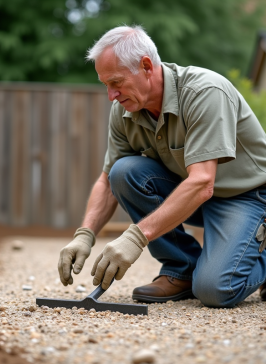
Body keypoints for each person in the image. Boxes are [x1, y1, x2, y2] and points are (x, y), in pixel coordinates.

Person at [57, 25, 266, 308]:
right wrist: (84, 235)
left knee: (215, 289)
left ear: (145, 66)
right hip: (197, 197)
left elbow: (203, 182)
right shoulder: (124, 111)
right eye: (105, 85)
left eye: (116, 82)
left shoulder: (205, 92)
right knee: (124, 171)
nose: (111, 95)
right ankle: (181, 270)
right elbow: (108, 181)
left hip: (249, 197)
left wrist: (135, 237)